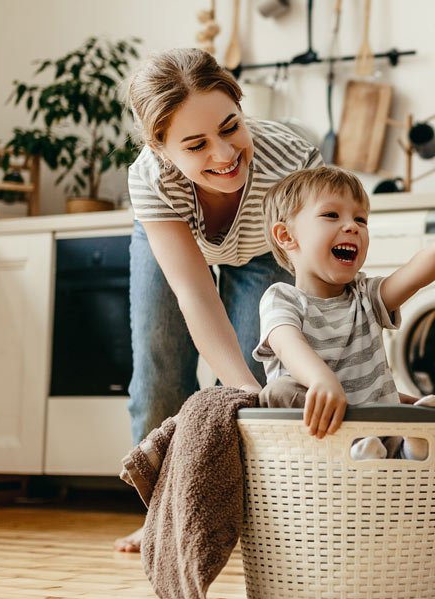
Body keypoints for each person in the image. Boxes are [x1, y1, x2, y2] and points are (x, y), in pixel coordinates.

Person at [114, 48, 321, 553]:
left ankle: (252, 520)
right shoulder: (151, 179)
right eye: (196, 144)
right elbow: (194, 294)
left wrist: (262, 390)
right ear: (163, 150)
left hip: (264, 249)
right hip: (178, 237)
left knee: (264, 374)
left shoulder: (292, 160)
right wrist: (244, 392)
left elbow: (316, 274)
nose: (224, 154)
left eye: (231, 127)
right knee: (161, 367)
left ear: (240, 107)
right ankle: (164, 515)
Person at [253, 166, 435, 458]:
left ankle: (411, 447)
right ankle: (365, 450)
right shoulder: (281, 298)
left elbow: (411, 276)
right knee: (278, 394)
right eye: (331, 215)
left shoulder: (365, 295)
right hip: (325, 435)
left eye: (360, 219)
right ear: (286, 236)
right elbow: (288, 345)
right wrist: (322, 380)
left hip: (385, 426)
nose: (353, 226)